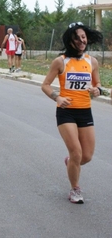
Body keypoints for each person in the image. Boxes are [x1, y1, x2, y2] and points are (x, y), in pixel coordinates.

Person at [41, 22, 104, 204]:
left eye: (83, 37)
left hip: (85, 111)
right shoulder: (60, 62)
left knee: (87, 156)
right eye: (77, 38)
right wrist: (57, 98)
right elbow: (45, 85)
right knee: (76, 152)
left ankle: (71, 163)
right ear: (70, 41)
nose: (82, 41)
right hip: (66, 112)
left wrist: (97, 90)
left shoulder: (92, 61)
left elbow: (98, 84)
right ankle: (75, 189)